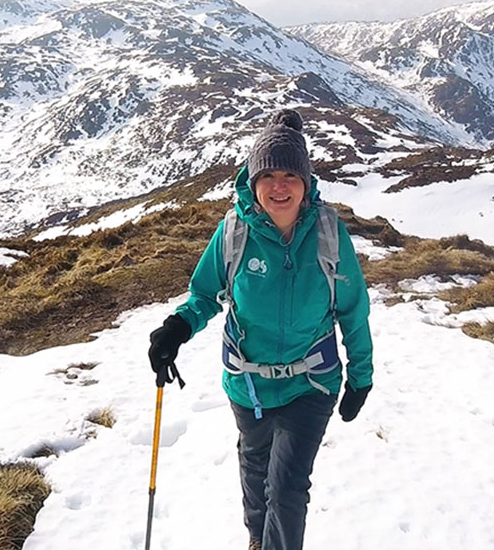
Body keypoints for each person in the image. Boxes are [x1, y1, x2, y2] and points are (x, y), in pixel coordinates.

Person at [147, 108, 374, 550]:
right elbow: (205, 295)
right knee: (255, 465)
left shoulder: (329, 234)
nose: (280, 186)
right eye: (268, 175)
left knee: (287, 488)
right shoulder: (234, 232)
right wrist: (176, 328)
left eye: (292, 174)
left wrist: (360, 378)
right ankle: (256, 538)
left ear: (306, 183)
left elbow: (353, 310)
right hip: (247, 382)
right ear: (253, 182)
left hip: (312, 381)